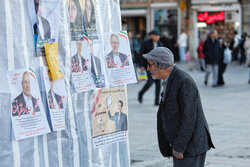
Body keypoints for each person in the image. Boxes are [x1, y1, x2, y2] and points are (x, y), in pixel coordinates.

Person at [142, 47, 215, 167]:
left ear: (160, 65)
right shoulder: (169, 80)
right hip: (182, 145)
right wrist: (168, 147)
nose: (148, 68)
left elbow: (189, 118)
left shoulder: (183, 81)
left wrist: (179, 148)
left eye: (150, 64)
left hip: (191, 146)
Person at [138, 30, 163, 105]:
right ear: (152, 36)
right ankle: (141, 93)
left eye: (158, 36)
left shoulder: (160, 44)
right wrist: (141, 65)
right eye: (156, 35)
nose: (157, 37)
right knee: (150, 82)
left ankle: (156, 101)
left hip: (158, 68)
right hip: (149, 67)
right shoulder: (146, 43)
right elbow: (141, 55)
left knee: (158, 84)